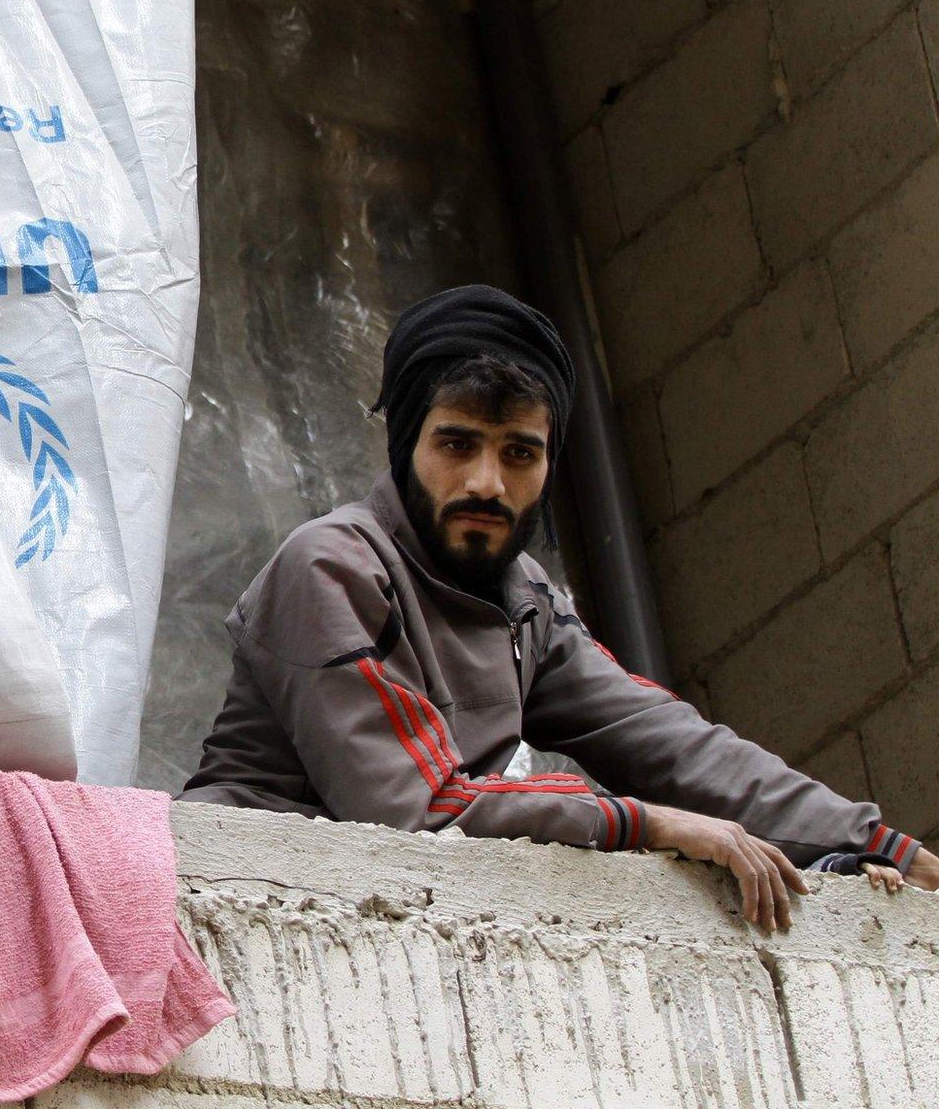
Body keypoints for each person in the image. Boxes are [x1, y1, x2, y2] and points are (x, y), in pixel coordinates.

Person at [180, 285, 937, 930]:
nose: (486, 482)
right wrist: (653, 824)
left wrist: (882, 844)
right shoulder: (332, 563)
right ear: (405, 443)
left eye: (519, 453)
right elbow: (416, 808)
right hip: (243, 900)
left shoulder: (526, 602)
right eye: (457, 444)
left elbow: (672, 745)